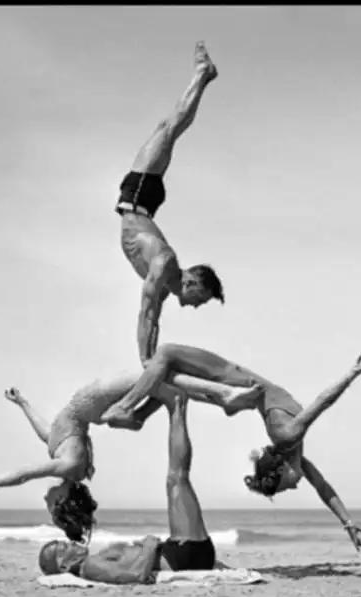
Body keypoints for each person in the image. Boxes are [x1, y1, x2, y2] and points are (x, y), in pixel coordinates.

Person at [100, 343, 361, 551]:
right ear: (281, 469)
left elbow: (323, 488)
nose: (294, 486)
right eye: (286, 486)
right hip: (231, 380)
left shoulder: (289, 443)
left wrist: (347, 524)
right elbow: (322, 403)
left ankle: (136, 415)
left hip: (234, 383)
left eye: (286, 487)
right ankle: (128, 410)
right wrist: (351, 374)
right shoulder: (290, 437)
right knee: (165, 357)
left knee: (165, 358)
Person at [0, 367, 262, 516]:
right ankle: (226, 396)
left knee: (162, 379)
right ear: (63, 501)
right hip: (92, 401)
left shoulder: (65, 461)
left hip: (91, 406)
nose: (46, 501)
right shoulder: (69, 466)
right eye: (51, 506)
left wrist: (22, 402)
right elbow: (22, 474)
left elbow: (47, 433)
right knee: (161, 372)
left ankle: (221, 399)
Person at [38, 388, 222, 582]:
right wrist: (149, 545)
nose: (71, 545)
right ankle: (174, 404)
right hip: (183, 556)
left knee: (176, 479)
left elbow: (126, 568)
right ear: (64, 566)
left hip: (184, 555)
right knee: (177, 478)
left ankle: (172, 403)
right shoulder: (90, 567)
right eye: (64, 548)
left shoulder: (91, 563)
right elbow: (134, 575)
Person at [115, 41, 224, 365]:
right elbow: (145, 315)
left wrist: (149, 361)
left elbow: (153, 320)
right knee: (168, 128)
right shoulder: (164, 265)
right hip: (138, 200)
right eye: (199, 299)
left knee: (169, 130)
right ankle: (202, 75)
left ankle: (203, 76)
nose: (194, 306)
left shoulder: (164, 281)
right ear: (192, 282)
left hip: (141, 203)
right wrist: (147, 362)